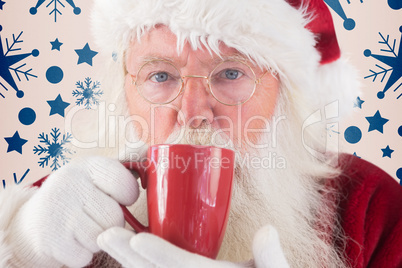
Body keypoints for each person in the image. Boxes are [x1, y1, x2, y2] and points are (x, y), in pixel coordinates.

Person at [1, 0, 402, 267]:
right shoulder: (62, 200)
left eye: (231, 73)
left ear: (285, 95)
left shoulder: (377, 210)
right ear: (123, 91)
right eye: (160, 75)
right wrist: (22, 248)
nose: (192, 113)